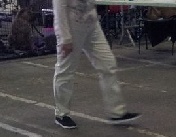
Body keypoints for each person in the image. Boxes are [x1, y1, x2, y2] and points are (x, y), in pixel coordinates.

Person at [52, 0, 140, 130]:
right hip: (71, 24)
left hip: (91, 22)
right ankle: (61, 114)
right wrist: (65, 38)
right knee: (66, 69)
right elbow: (59, 8)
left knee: (108, 63)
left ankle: (117, 112)